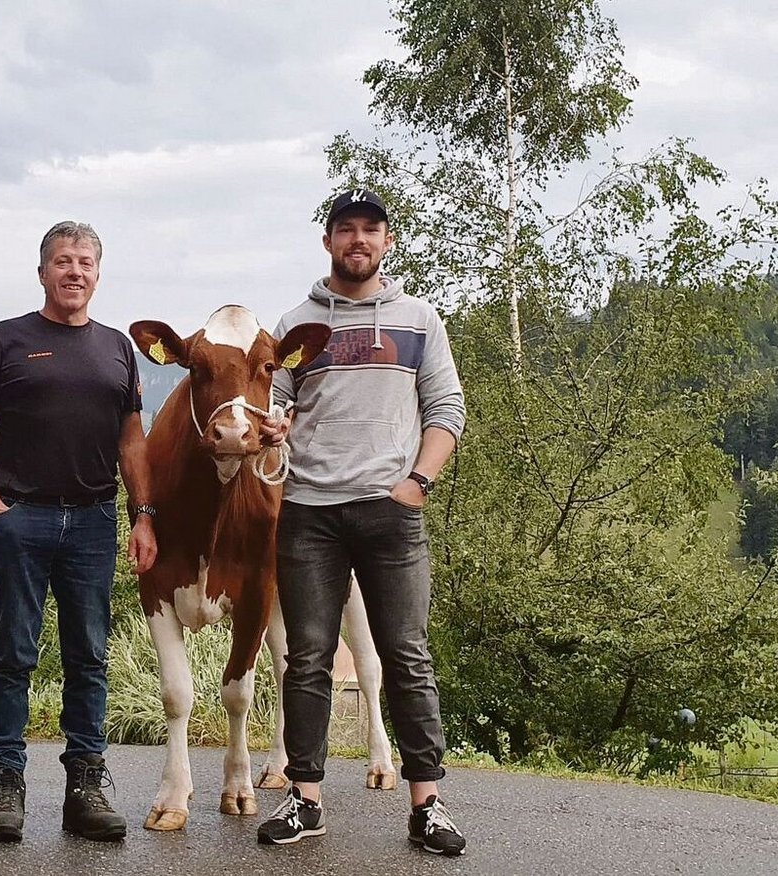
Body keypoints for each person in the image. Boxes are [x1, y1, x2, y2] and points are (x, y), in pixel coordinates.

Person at [255, 189, 468, 856]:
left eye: (370, 229)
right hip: (309, 512)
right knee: (307, 660)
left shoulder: (418, 319)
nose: (358, 240)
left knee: (407, 656)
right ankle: (306, 799)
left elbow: (447, 408)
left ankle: (427, 804)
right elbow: (275, 406)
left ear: (388, 241)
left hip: (390, 512)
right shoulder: (295, 323)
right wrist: (274, 428)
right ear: (327, 243)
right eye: (346, 229)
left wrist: (416, 484)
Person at [0, 220, 157, 844]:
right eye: (62, 261)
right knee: (14, 653)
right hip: (23, 516)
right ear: (42, 271)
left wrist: (143, 514)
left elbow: (132, 441)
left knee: (88, 657)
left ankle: (86, 786)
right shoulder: (6, 340)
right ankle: (6, 784)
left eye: (86, 262)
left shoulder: (118, 348)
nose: (74, 271)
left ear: (98, 274)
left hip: (94, 519)